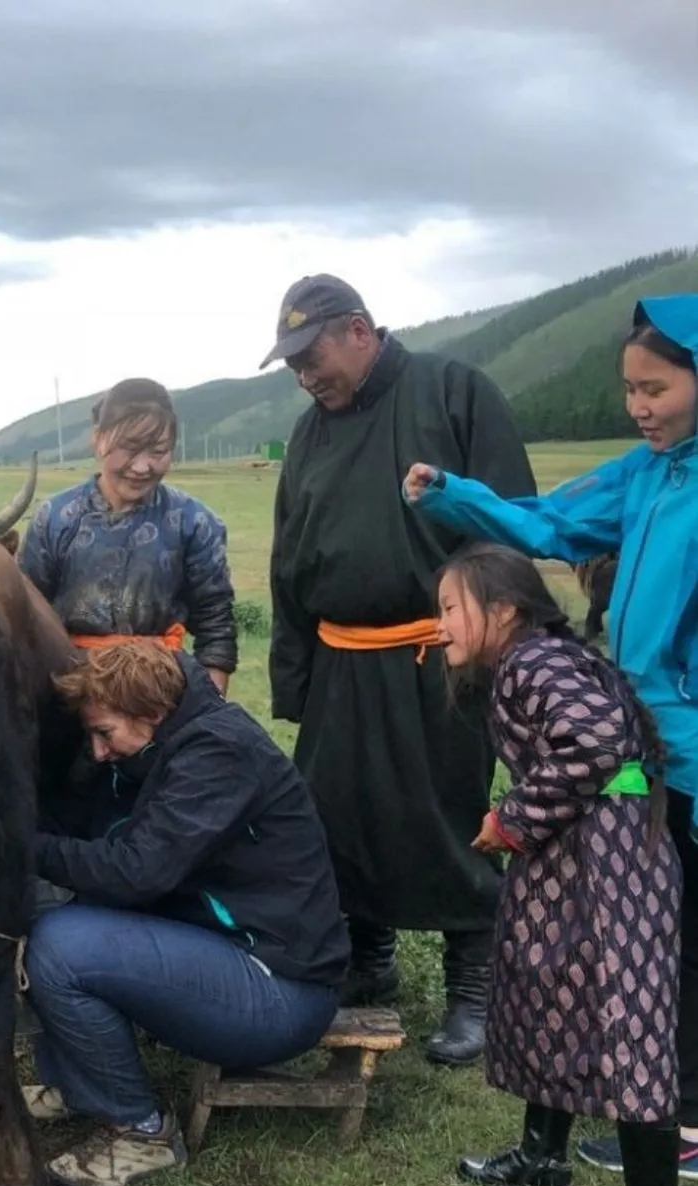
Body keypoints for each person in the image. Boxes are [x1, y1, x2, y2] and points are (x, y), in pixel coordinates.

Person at [403, 293, 698, 1182]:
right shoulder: (647, 472)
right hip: (645, 745)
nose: (639, 407)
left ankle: (679, 1126)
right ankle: (672, 1115)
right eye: (629, 390)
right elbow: (554, 523)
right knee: (662, 939)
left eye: (657, 388)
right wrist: (455, 494)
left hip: (675, 739)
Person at [262, 273, 537, 1064]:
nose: (304, 375)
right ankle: (367, 960)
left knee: (445, 814)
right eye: (292, 366)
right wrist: (296, 679)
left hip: (439, 655)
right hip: (341, 657)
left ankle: (477, 993)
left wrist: (496, 648)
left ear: (358, 329)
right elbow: (289, 560)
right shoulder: (311, 432)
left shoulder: (453, 392)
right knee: (335, 817)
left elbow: (507, 520)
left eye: (310, 356)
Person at [430, 544, 687, 1186]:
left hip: (609, 866)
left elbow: (599, 743)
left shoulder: (534, 661)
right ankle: (544, 1155)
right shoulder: (527, 662)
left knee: (624, 1019)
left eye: (451, 608)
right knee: (554, 993)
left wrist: (513, 817)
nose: (440, 623)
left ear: (504, 611)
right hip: (573, 858)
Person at [22, 641, 349, 1186]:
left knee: (60, 945)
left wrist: (19, 845)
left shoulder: (218, 755)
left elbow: (137, 872)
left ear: (150, 715)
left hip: (280, 991)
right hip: (233, 953)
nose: (98, 752)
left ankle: (142, 1133)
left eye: (105, 734)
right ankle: (77, 1084)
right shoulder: (171, 741)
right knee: (54, 918)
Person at [18, 377, 237, 693]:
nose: (142, 466)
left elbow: (217, 629)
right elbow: (26, 618)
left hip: (159, 697)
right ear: (98, 440)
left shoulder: (195, 523)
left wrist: (207, 715)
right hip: (67, 691)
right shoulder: (54, 519)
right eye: (129, 448)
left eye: (159, 451)